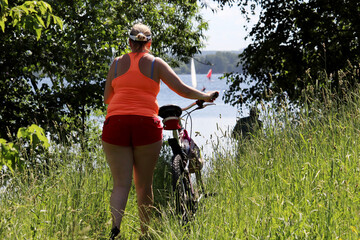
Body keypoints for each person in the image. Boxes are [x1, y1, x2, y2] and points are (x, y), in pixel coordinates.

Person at [102, 23, 218, 239]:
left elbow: (108, 98)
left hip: (115, 124)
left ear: (129, 42)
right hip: (146, 125)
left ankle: (115, 231)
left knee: (120, 184)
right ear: (149, 43)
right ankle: (145, 234)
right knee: (144, 185)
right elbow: (181, 88)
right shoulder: (156, 63)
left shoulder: (116, 64)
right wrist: (204, 96)